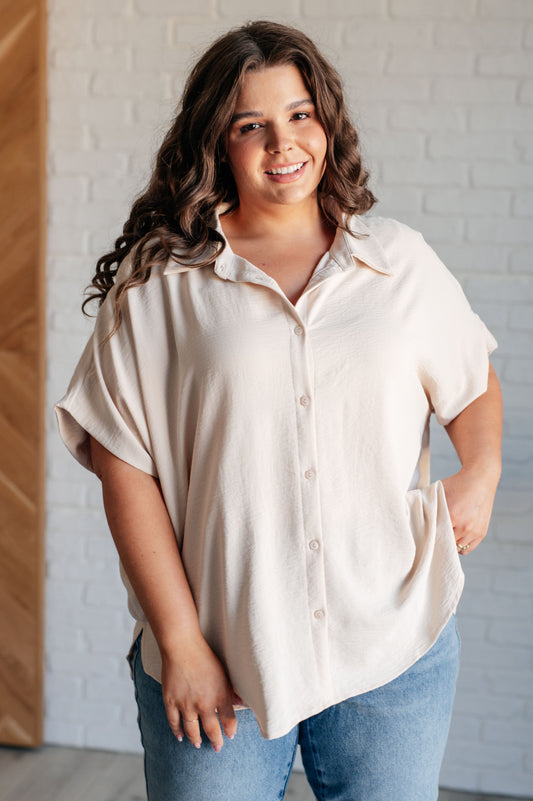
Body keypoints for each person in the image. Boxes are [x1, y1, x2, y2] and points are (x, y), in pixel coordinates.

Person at [56, 20, 502, 801]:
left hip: (389, 646)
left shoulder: (396, 260)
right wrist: (181, 642)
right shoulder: (160, 283)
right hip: (217, 660)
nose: (282, 142)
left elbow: (471, 380)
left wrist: (482, 471)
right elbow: (123, 466)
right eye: (249, 125)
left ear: (325, 120)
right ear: (214, 143)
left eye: (299, 114)